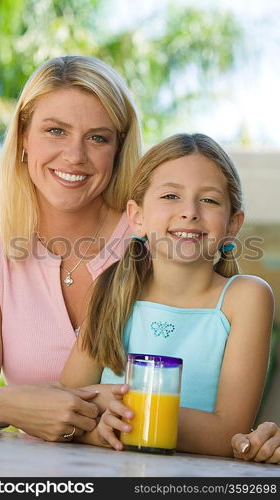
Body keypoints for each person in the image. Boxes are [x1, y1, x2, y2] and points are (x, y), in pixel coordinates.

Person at [60, 132, 275, 458]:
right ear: (137, 217)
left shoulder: (245, 299)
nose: (189, 212)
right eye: (171, 196)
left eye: (209, 200)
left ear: (232, 225)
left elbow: (225, 433)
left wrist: (113, 404)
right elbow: (66, 405)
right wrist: (95, 433)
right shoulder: (111, 290)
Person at [0, 55, 142, 441]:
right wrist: (8, 404)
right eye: (56, 131)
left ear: (118, 148)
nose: (75, 156)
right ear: (24, 136)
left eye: (98, 137)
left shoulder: (151, 241)